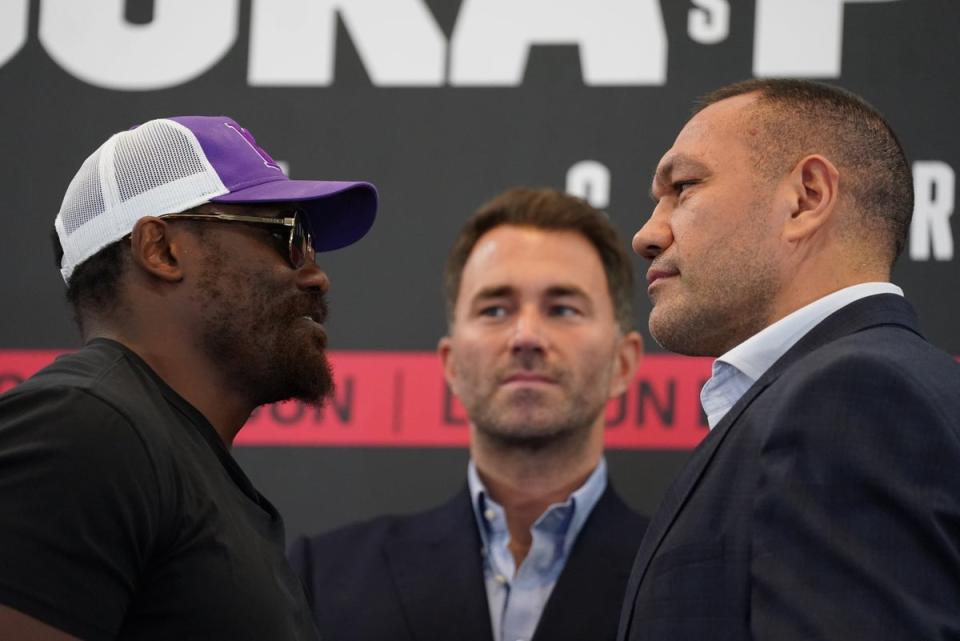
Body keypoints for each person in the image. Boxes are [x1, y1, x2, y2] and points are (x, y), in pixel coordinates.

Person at [0, 115, 378, 640]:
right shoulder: (80, 428)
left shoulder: (167, 455)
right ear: (162, 250)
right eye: (287, 237)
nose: (316, 273)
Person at [617, 79, 960, 640]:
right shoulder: (868, 388)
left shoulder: (853, 397)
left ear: (806, 197)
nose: (647, 235)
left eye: (683, 187)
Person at [289, 187, 648, 641]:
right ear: (451, 362)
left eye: (563, 308)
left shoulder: (690, 575)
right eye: (495, 309)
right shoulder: (322, 579)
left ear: (623, 363)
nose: (526, 335)